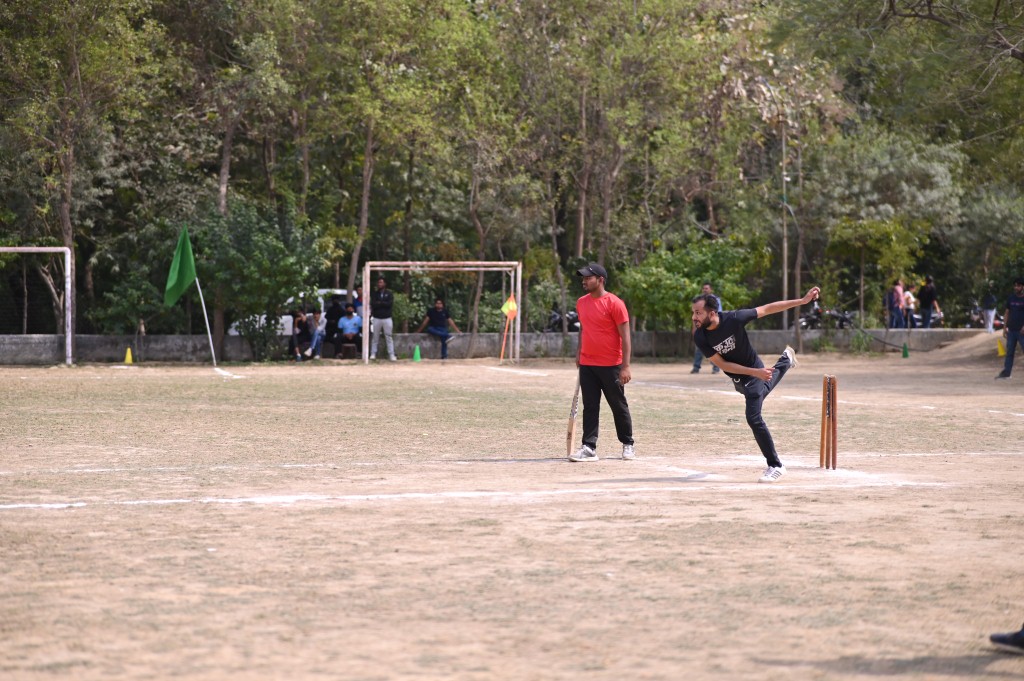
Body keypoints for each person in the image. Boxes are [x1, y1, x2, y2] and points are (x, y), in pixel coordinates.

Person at [692, 285, 821, 483]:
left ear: (712, 313)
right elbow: (722, 364)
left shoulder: (734, 319)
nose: (694, 317)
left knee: (753, 417)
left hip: (753, 370)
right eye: (693, 313)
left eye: (698, 313)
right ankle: (785, 360)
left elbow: (768, 308)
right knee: (758, 391)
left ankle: (776, 465)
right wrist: (756, 374)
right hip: (741, 376)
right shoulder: (700, 336)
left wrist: (802, 301)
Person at [569, 263, 635, 462]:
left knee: (618, 405)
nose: (584, 281)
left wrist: (626, 366)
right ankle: (589, 447)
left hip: (611, 364)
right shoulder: (581, 302)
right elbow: (583, 328)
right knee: (590, 406)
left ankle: (628, 443)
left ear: (600, 280)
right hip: (587, 363)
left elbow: (625, 336)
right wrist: (579, 351)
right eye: (583, 278)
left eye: (588, 278)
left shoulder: (615, 303)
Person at [996, 277, 1024, 380]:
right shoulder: (1011, 298)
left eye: (1018, 286)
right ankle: (1006, 373)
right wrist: (1004, 328)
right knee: (1009, 352)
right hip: (1011, 330)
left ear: (1023, 287)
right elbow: (1007, 313)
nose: (1016, 287)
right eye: (1015, 285)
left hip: (1022, 331)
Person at [691, 281, 721, 374]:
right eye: (703, 288)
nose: (705, 290)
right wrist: (694, 327)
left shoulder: (715, 300)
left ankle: (716, 368)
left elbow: (718, 314)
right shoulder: (699, 301)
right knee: (699, 347)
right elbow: (695, 315)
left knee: (714, 347)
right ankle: (696, 367)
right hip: (701, 328)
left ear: (711, 289)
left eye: (706, 288)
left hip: (712, 328)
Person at [370, 277, 396, 361]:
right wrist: (383, 303)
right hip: (377, 318)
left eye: (381, 282)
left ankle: (391, 354)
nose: (379, 284)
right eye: (378, 282)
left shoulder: (389, 293)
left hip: (387, 318)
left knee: (388, 336)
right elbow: (374, 304)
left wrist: (380, 303)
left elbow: (389, 304)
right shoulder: (375, 294)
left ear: (385, 284)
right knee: (375, 336)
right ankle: (373, 353)